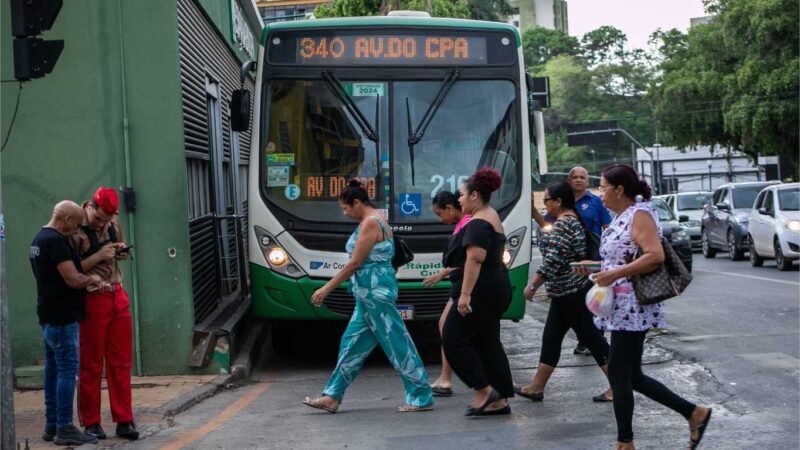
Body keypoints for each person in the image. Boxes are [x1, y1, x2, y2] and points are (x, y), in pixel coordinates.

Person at [576, 164, 712, 449]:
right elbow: (621, 257)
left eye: (602, 188)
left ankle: (625, 442)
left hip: (632, 307)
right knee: (631, 374)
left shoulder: (640, 215)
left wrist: (615, 273)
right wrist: (595, 268)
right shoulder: (622, 216)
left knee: (618, 374)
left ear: (619, 189)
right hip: (619, 305)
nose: (600, 194)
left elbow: (655, 256)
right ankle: (693, 413)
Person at [302, 179, 434, 413]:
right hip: (368, 293)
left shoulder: (370, 223)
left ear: (356, 202)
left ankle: (421, 395)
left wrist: (326, 288)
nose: (345, 213)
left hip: (375, 292)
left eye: (346, 208)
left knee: (397, 342)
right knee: (351, 344)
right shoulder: (373, 219)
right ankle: (332, 396)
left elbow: (355, 263)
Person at [516, 181, 613, 403]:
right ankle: (537, 386)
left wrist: (532, 285)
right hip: (564, 292)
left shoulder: (563, 224)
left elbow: (554, 259)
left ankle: (618, 384)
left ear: (558, 202)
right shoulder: (568, 221)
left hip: (572, 291)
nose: (545, 204)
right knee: (552, 338)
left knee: (592, 339)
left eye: (547, 200)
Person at [30, 201, 107, 446]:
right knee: (66, 371)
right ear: (66, 220)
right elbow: (72, 278)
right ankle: (64, 426)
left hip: (48, 314)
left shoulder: (38, 240)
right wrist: (92, 279)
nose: (77, 231)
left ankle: (51, 425)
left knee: (52, 371)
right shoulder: (56, 241)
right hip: (63, 317)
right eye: (75, 225)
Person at [441, 168, 514, 417]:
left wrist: (464, 295)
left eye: (461, 195)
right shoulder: (490, 215)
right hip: (495, 287)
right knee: (487, 342)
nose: (458, 200)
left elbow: (475, 260)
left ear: (474, 195)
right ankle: (500, 398)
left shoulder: (480, 221)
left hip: (482, 289)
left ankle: (484, 390)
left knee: (452, 338)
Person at [73, 187, 139, 441]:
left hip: (116, 294)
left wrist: (120, 251)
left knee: (121, 363)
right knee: (90, 363)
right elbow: (70, 266)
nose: (101, 224)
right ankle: (91, 422)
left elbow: (118, 256)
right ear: (90, 205)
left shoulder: (113, 223)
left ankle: (124, 419)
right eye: (98, 218)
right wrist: (99, 254)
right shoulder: (75, 227)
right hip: (91, 296)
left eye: (106, 220)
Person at [533, 166, 611, 356]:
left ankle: (613, 369)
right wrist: (532, 210)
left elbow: (607, 227)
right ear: (569, 181)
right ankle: (591, 345)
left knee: (590, 310)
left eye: (582, 177)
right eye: (574, 177)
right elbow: (546, 226)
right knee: (562, 328)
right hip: (567, 276)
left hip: (587, 264)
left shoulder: (594, 202)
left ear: (587, 181)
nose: (578, 180)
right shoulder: (560, 206)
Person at [421, 191, 471, 397]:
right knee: (449, 327)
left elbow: (469, 261)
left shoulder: (468, 224)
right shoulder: (462, 225)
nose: (440, 219)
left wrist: (442, 273)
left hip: (466, 287)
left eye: (440, 214)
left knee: (451, 329)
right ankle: (445, 378)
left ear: (450, 208)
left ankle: (447, 380)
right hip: (460, 285)